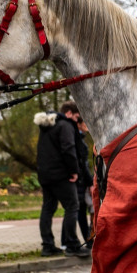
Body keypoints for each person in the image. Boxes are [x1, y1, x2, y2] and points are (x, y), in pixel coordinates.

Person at [35, 101, 89, 258]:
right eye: (77, 116)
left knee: (48, 208)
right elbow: (68, 149)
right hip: (62, 175)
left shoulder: (47, 127)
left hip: (45, 174)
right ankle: (72, 245)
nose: (77, 120)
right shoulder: (65, 125)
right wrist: (74, 171)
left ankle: (48, 246)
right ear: (70, 113)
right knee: (72, 207)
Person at [74, 118, 94, 249]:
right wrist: (91, 182)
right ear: (79, 124)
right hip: (81, 182)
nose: (87, 125)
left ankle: (89, 239)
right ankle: (89, 239)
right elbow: (83, 165)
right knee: (81, 211)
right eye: (84, 123)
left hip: (80, 181)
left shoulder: (78, 139)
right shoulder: (78, 141)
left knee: (80, 211)